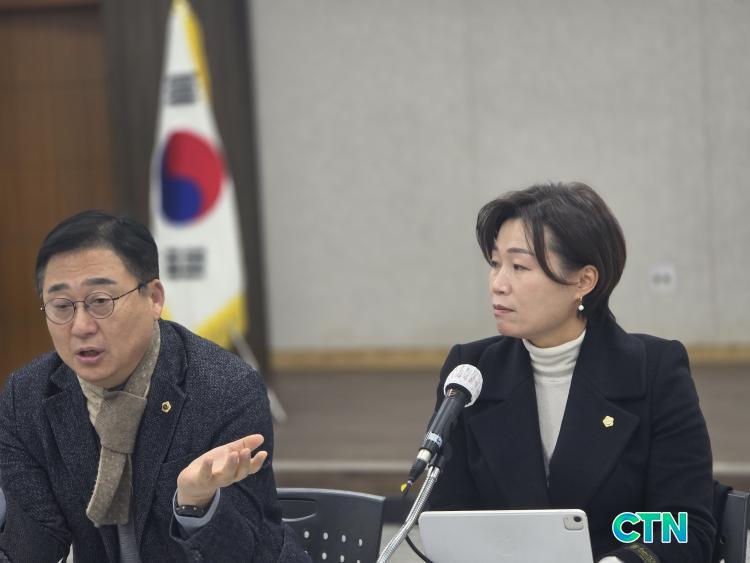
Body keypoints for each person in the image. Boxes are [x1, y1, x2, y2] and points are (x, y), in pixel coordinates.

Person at [428, 182, 715, 562]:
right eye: (495, 264)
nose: (498, 284)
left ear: (583, 281)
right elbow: (448, 518)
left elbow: (685, 527)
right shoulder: (471, 372)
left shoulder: (654, 371)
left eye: (519, 267)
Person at [0, 211, 309, 562]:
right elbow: (33, 542)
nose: (81, 326)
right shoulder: (26, 397)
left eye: (100, 301)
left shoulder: (225, 389)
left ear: (154, 298)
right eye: (61, 306)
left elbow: (253, 553)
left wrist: (197, 506)